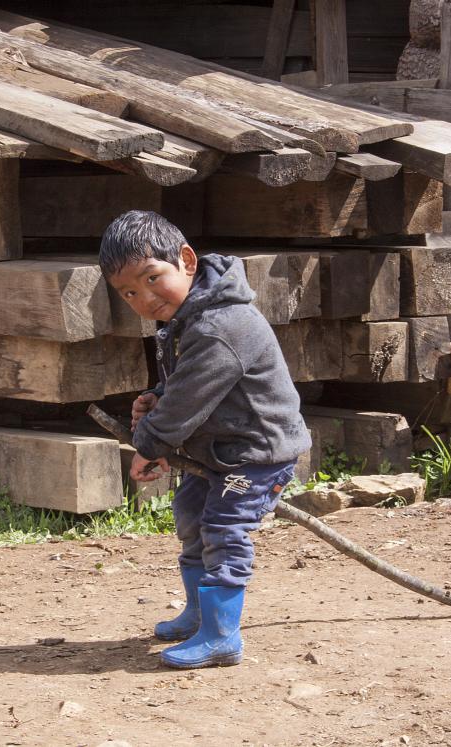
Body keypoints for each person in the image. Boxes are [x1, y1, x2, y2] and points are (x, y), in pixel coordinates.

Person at [99, 210, 311, 669]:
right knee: (192, 515)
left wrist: (150, 444)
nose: (145, 297)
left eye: (152, 278)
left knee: (223, 529)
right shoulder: (185, 316)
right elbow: (184, 386)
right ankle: (198, 613)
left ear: (187, 261)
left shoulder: (223, 324)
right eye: (129, 292)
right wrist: (156, 398)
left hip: (256, 453)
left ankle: (220, 634)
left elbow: (190, 397)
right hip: (217, 449)